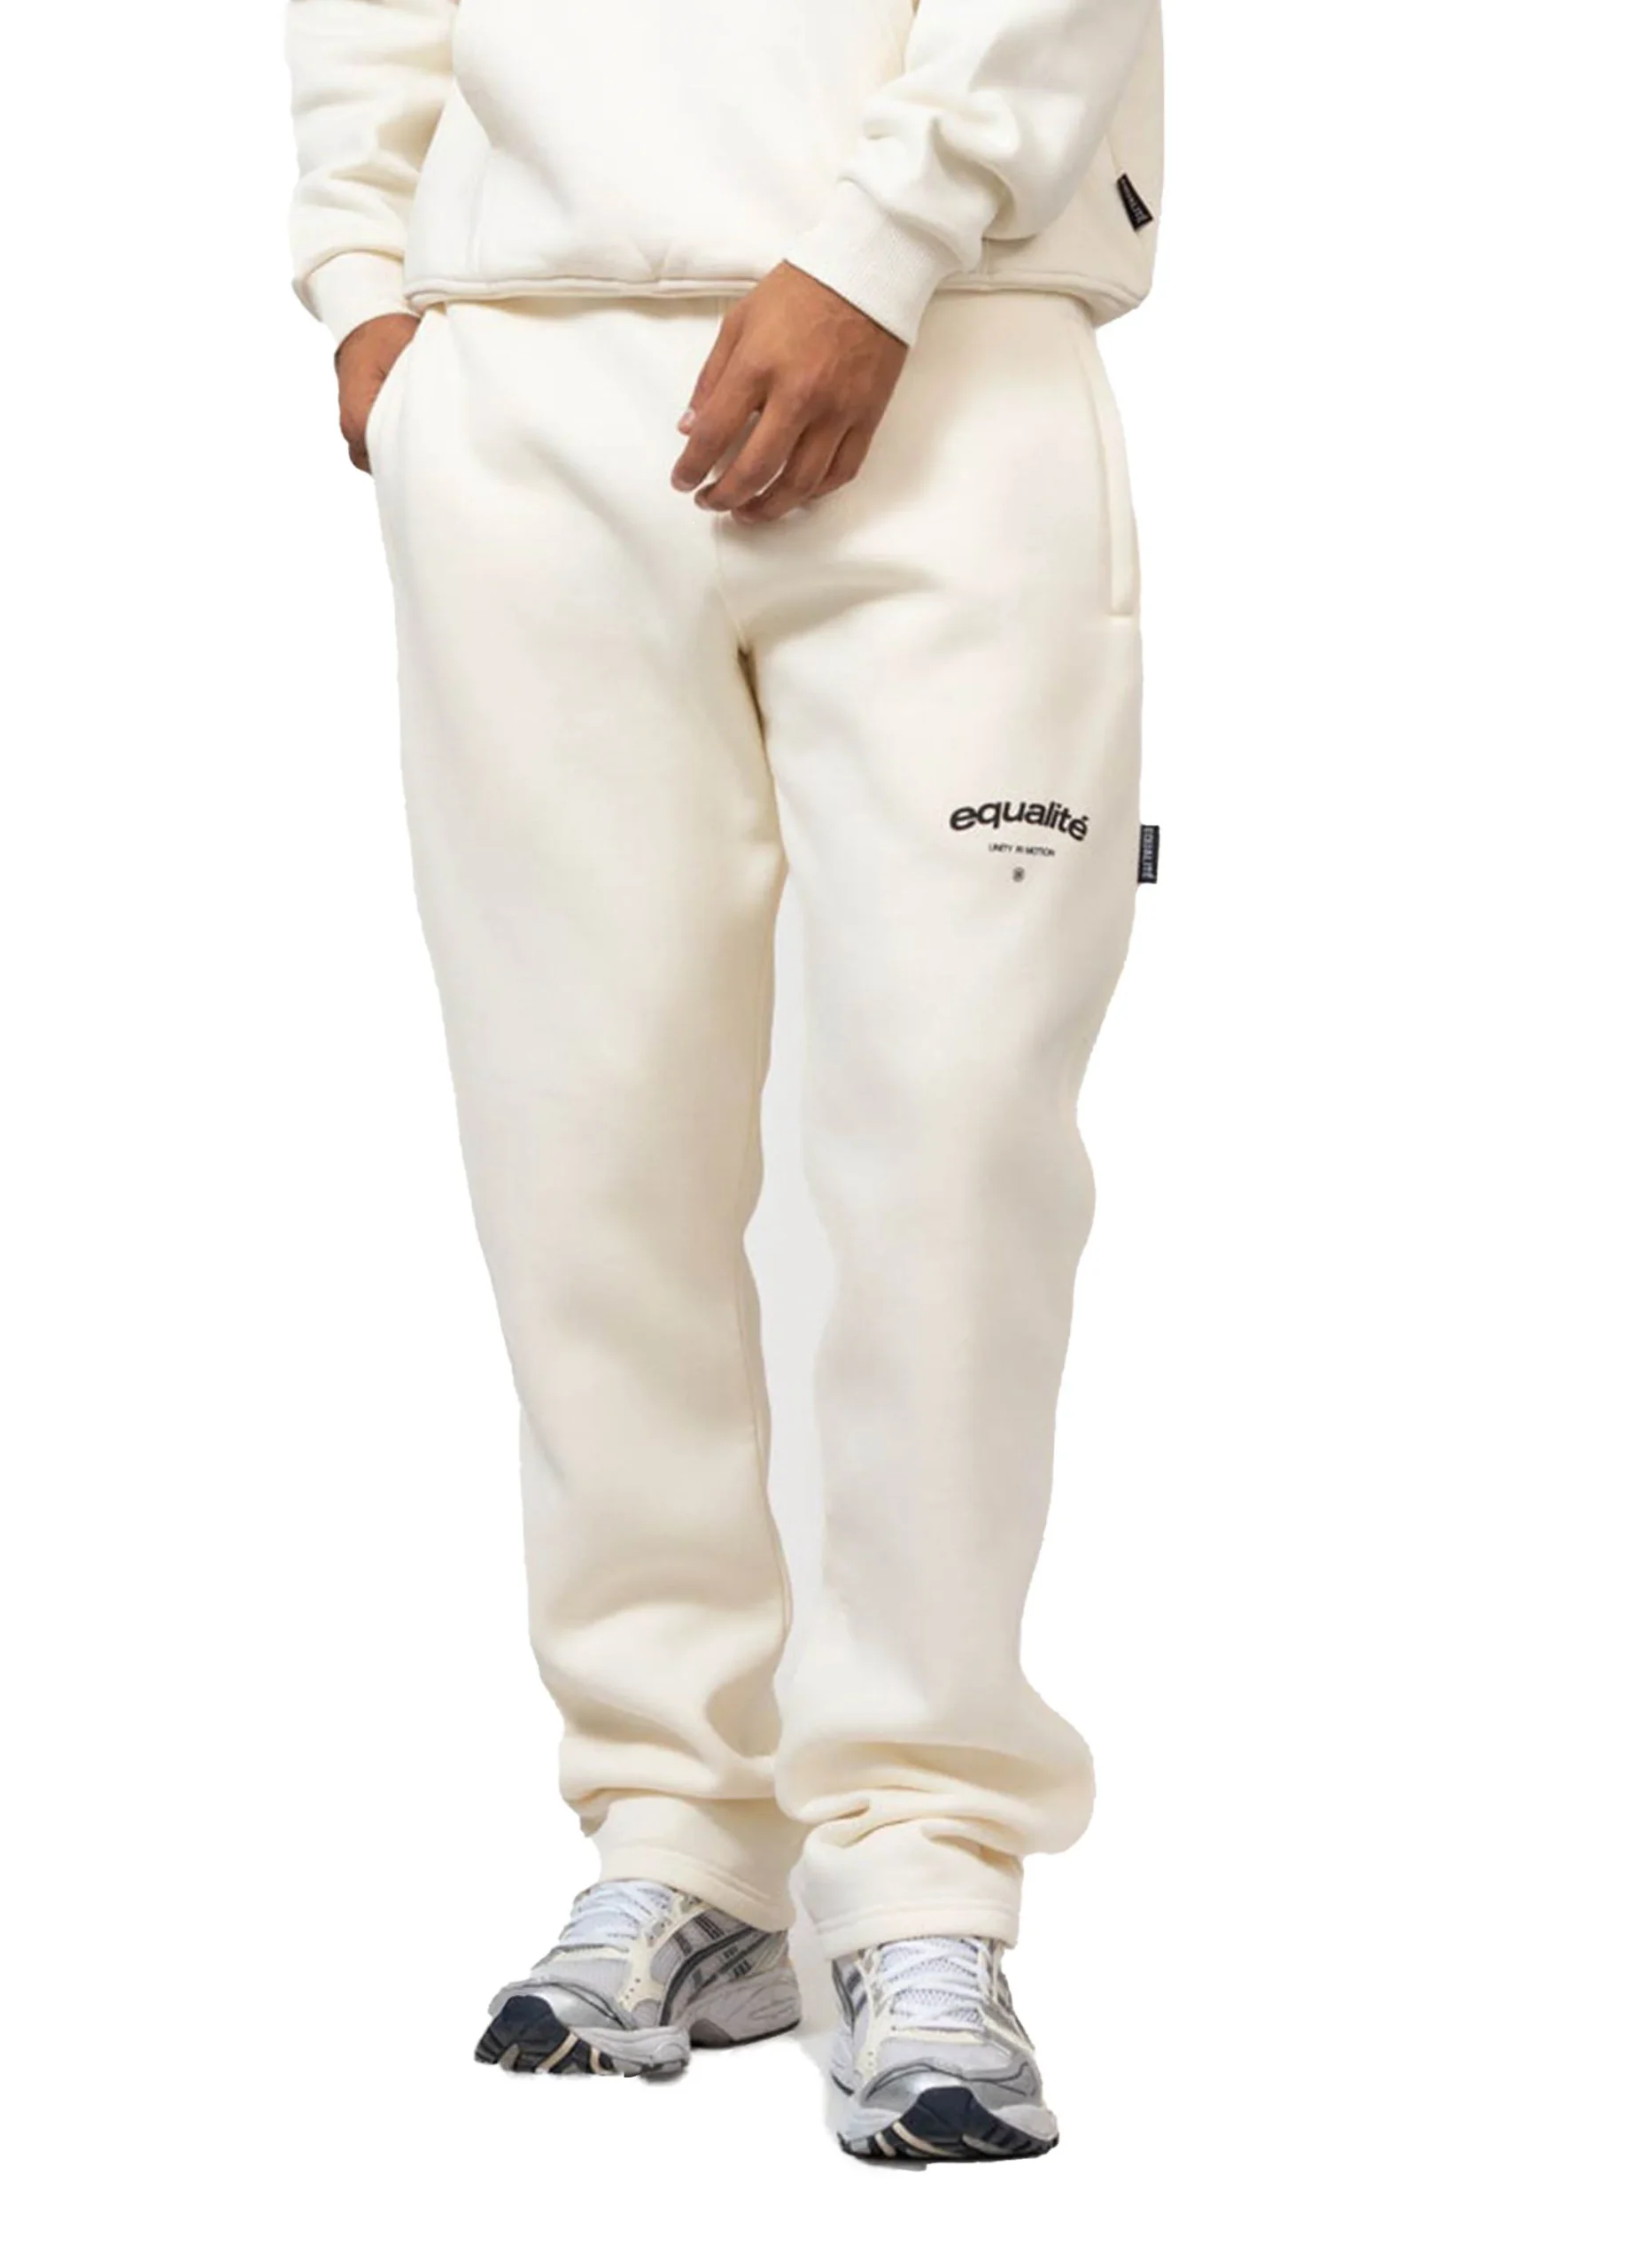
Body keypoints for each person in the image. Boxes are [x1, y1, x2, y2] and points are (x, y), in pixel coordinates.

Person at [286, 0, 1161, 2165]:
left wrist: (879, 244)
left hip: (949, 350)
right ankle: (680, 1832)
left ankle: (921, 1869)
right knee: (586, 1145)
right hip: (524, 379)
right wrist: (367, 275)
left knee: (952, 1144)